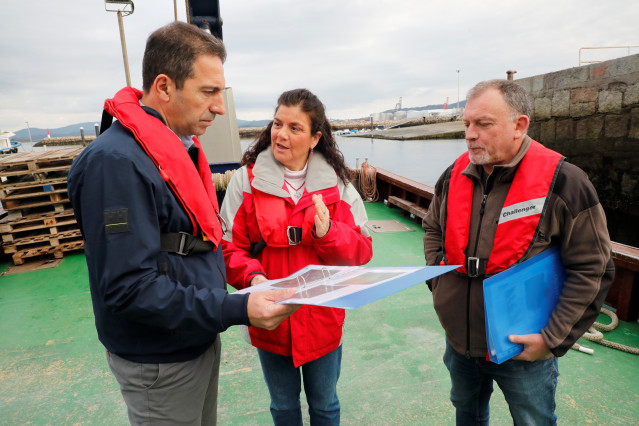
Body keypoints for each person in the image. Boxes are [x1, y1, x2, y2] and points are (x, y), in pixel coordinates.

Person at [67, 22, 298, 425]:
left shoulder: (176, 150)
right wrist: (235, 307)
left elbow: (196, 241)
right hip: (159, 360)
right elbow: (128, 288)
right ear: (164, 86)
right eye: (208, 92)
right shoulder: (116, 164)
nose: (220, 107)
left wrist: (251, 281)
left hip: (192, 337)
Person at [422, 79, 614, 425]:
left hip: (524, 349)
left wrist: (552, 339)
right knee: (467, 413)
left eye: (483, 124)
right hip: (460, 341)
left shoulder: (565, 183)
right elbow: (433, 227)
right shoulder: (453, 177)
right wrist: (439, 282)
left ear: (519, 125)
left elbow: (593, 268)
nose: (470, 135)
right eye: (467, 124)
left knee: (533, 420)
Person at [220, 88, 373, 425]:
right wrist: (254, 279)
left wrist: (327, 232)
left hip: (322, 317)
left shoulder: (339, 186)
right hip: (270, 316)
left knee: (325, 405)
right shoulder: (246, 181)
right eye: (277, 124)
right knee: (284, 407)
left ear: (315, 138)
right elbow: (229, 247)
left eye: (295, 128)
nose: (282, 134)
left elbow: (362, 251)